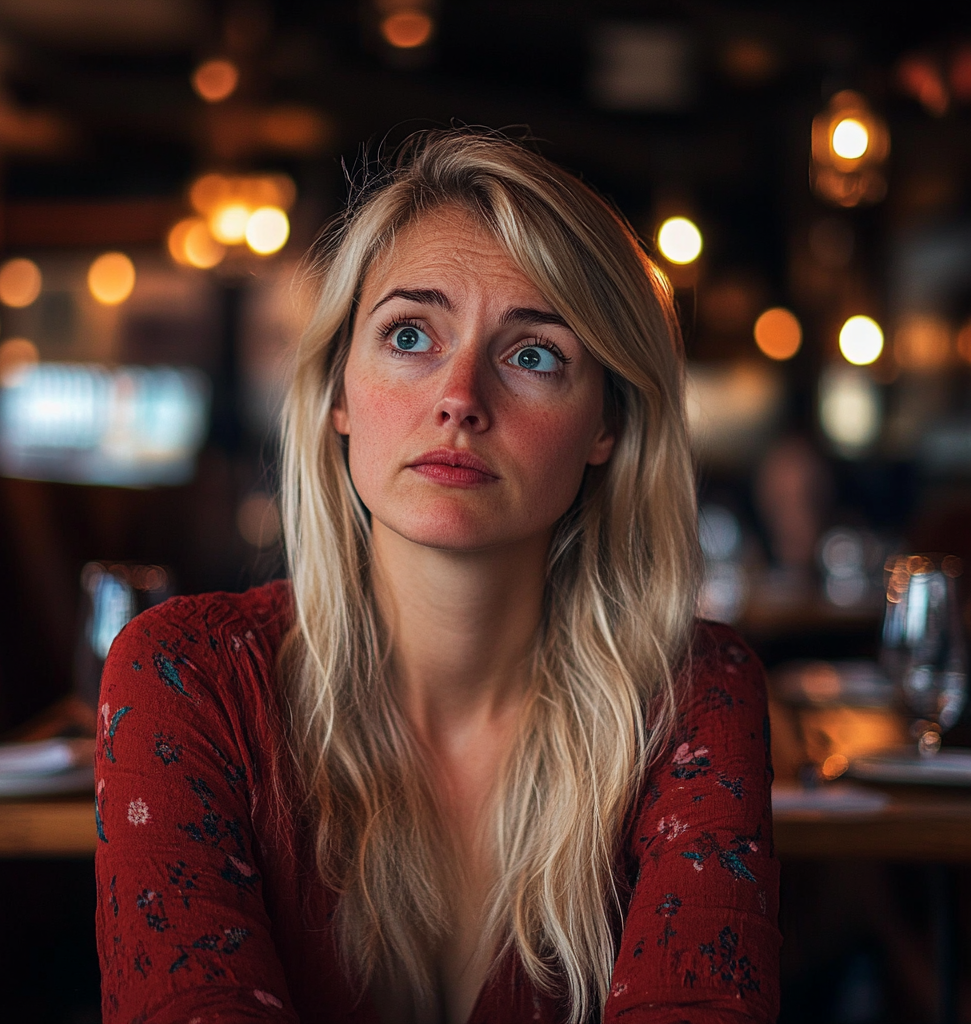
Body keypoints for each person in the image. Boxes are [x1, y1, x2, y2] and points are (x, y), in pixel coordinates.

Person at [95, 130, 780, 1024]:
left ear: (606, 427)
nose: (460, 396)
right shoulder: (184, 678)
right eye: (410, 334)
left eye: (534, 353)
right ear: (340, 390)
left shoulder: (693, 698)